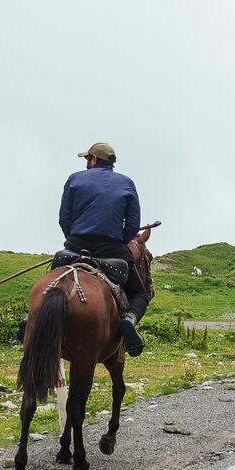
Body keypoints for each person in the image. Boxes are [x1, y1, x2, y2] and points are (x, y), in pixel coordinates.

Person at [58, 142, 149, 355]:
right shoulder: (127, 183)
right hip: (113, 250)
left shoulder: (74, 178)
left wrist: (72, 240)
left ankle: (31, 319)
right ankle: (128, 319)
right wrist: (120, 242)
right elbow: (133, 224)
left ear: (93, 159)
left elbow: (64, 218)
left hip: (76, 247)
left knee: (52, 281)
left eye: (87, 159)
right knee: (140, 294)